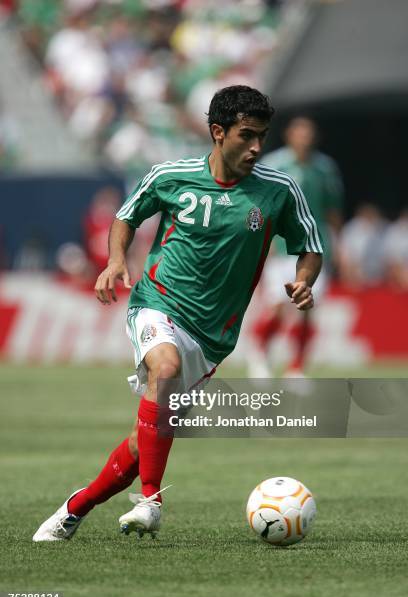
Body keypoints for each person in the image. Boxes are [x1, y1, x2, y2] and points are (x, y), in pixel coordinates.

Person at [33, 85, 323, 542]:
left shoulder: (278, 190)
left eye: (262, 137)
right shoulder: (170, 175)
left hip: (212, 338)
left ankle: (75, 507)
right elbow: (127, 216)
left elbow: (310, 246)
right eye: (246, 135)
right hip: (157, 302)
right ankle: (151, 500)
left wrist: (305, 280)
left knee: (140, 443)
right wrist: (114, 261)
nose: (256, 147)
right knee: (163, 367)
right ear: (217, 132)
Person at [247, 117, 343, 378]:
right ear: (290, 135)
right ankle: (261, 351)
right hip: (282, 244)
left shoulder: (324, 168)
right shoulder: (275, 165)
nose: (304, 138)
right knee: (277, 305)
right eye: (299, 133)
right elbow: (259, 207)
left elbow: (333, 210)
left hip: (314, 248)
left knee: (305, 309)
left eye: (308, 133)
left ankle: (297, 367)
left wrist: (338, 245)